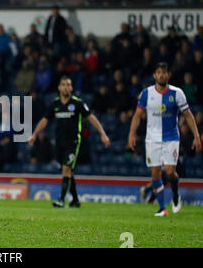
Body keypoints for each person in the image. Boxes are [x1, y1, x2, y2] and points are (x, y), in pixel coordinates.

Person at [128, 62, 201, 217]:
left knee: (169, 172)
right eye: (158, 72)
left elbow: (188, 115)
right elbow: (137, 115)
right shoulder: (146, 93)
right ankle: (162, 208)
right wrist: (131, 134)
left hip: (171, 138)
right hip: (151, 138)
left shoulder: (177, 93)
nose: (161, 75)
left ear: (168, 75)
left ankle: (175, 196)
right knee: (155, 174)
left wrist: (196, 135)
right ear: (154, 75)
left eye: (164, 72)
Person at [29, 76, 111, 208]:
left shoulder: (77, 103)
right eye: (63, 84)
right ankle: (76, 200)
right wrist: (34, 134)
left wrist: (103, 133)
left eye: (68, 85)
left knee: (66, 169)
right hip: (59, 142)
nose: (66, 87)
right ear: (59, 87)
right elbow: (45, 120)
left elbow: (91, 118)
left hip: (73, 142)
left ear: (71, 87)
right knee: (67, 171)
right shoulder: (54, 104)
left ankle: (61, 200)